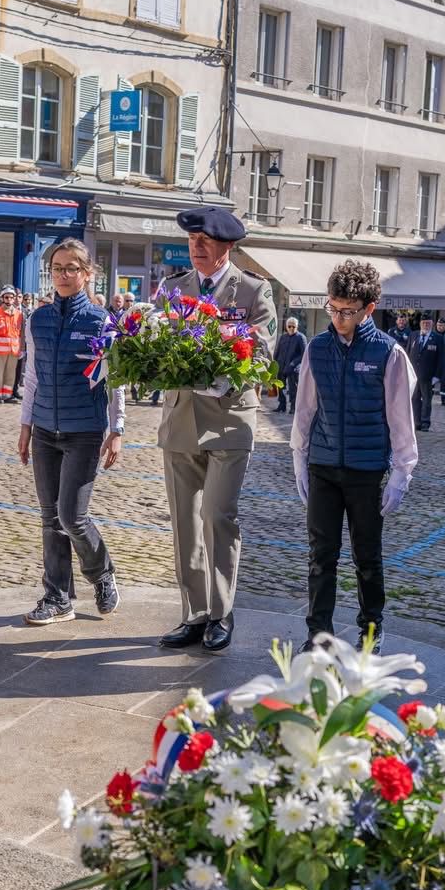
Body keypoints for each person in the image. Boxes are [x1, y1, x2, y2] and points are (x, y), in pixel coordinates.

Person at [156, 207, 277, 654]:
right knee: (185, 522)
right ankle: (195, 612)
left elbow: (263, 349)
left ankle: (222, 611)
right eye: (192, 240)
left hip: (228, 419)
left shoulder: (251, 288)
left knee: (217, 517)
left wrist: (230, 353)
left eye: (205, 241)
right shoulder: (173, 288)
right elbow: (154, 341)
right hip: (181, 418)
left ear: (227, 245)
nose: (197, 247)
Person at [291, 259, 418, 653]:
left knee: (367, 556)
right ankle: (318, 634)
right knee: (321, 556)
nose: (340, 318)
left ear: (369, 308)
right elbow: (305, 408)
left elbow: (400, 418)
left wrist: (402, 473)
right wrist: (299, 455)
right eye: (333, 308)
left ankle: (370, 628)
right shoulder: (318, 348)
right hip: (325, 466)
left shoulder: (388, 353)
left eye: (348, 311)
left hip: (366, 470)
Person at [16, 240, 125, 625]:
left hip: (84, 431)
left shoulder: (101, 321)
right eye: (58, 268)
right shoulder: (37, 320)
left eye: (71, 268)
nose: (63, 275)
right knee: (49, 518)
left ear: (87, 273)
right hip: (45, 428)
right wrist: (26, 426)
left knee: (71, 517)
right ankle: (57, 597)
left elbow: (116, 381)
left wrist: (118, 429)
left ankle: (102, 572)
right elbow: (31, 378)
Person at [0, 285, 24, 403]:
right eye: (7, 297)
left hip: (14, 350)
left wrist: (22, 349)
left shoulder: (19, 314)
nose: (9, 300)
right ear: (2, 298)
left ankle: (7, 395)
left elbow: (22, 334)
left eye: (11, 297)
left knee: (10, 374)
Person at [407, 316, 441, 432]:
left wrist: (437, 376)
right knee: (415, 399)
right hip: (413, 374)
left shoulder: (437, 338)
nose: (425, 325)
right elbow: (407, 353)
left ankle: (425, 422)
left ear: (432, 324)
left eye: (428, 323)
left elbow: (441, 359)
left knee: (426, 400)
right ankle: (417, 422)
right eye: (423, 323)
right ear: (420, 323)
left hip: (428, 375)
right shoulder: (413, 335)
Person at [273, 317, 307, 414]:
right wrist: (274, 363)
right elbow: (278, 351)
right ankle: (282, 405)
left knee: (293, 389)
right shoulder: (283, 337)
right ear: (286, 327)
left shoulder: (301, 337)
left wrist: (293, 363)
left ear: (297, 327)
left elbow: (303, 354)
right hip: (281, 365)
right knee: (280, 387)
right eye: (289, 326)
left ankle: (293, 407)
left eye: (293, 326)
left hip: (293, 368)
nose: (291, 328)